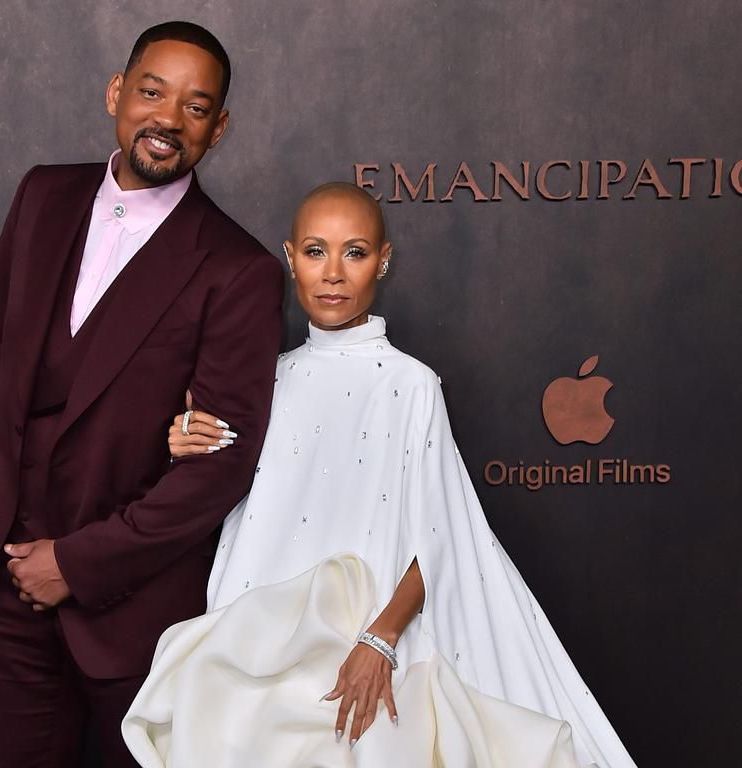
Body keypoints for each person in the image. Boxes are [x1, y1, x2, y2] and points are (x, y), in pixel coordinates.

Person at [122, 183, 637, 767]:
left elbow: (443, 539)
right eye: (316, 252)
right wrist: (184, 437)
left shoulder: (412, 384)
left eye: (355, 252)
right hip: (250, 644)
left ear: (383, 261)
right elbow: (216, 464)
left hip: (365, 644)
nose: (334, 273)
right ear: (290, 258)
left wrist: (381, 639)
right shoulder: (261, 379)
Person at [0, 21, 283, 767]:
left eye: (196, 107)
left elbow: (219, 468)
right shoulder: (43, 195)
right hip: (7, 587)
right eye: (153, 92)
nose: (168, 120)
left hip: (140, 616)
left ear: (220, 127)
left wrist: (77, 565)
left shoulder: (239, 270)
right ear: (118, 92)